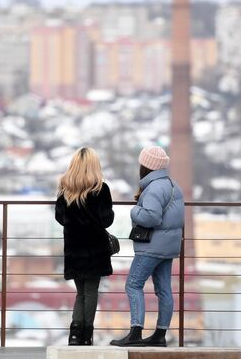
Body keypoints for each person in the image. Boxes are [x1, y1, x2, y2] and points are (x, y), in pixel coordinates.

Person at [110, 146, 184, 347]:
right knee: (164, 290)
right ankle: (160, 335)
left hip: (152, 247)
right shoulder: (172, 185)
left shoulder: (153, 188)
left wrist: (135, 211)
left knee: (133, 284)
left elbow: (151, 216)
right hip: (168, 247)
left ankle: (135, 332)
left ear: (147, 166)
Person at [55, 147, 114, 346]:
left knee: (81, 293)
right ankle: (87, 335)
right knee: (91, 292)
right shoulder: (101, 189)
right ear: (94, 165)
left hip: (74, 249)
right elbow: (107, 220)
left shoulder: (65, 187)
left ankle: (74, 334)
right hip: (95, 250)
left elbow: (59, 217)